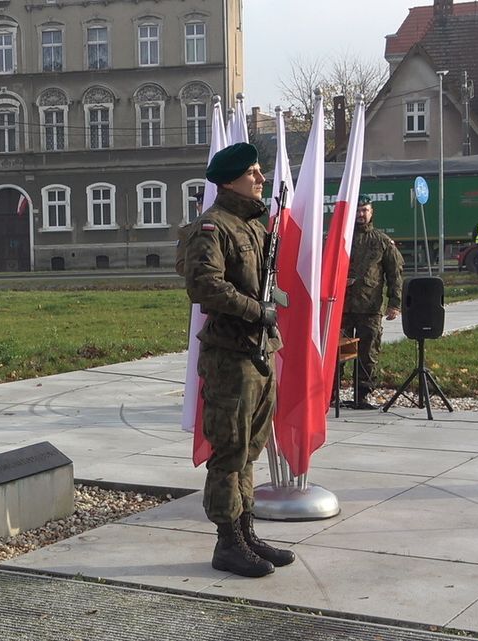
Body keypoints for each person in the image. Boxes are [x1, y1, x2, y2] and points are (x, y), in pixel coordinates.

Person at [180, 142, 295, 578]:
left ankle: (246, 532)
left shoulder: (254, 227)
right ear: (229, 180)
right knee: (229, 450)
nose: (260, 180)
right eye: (253, 173)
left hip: (260, 351)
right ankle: (227, 544)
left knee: (251, 448)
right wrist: (255, 310)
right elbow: (204, 287)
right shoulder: (213, 227)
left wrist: (268, 316)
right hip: (231, 355)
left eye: (261, 172)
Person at [341, 195, 404, 410]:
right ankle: (330, 394)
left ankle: (362, 395)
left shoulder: (382, 241)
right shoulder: (341, 239)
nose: (360, 214)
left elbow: (395, 274)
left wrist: (395, 303)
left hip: (370, 308)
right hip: (343, 308)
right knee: (337, 354)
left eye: (364, 210)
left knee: (368, 353)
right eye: (357, 210)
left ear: (371, 212)